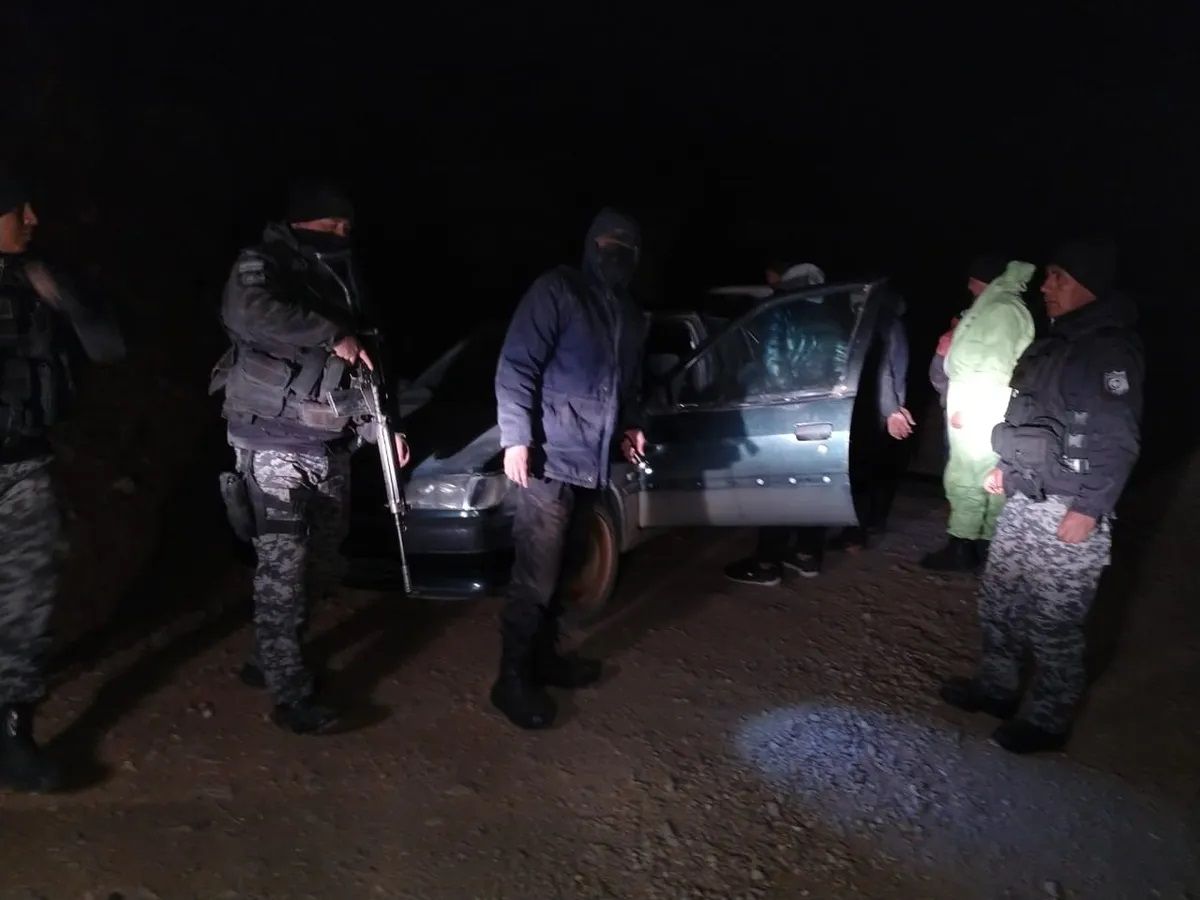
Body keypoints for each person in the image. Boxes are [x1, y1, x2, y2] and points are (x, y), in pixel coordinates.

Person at [210, 180, 409, 735]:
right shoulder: (262, 264)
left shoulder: (342, 275)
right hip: (272, 440)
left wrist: (382, 425)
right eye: (330, 225)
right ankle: (290, 693)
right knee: (284, 566)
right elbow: (249, 313)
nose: (341, 234)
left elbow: (365, 360)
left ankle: (269, 654)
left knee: (324, 562)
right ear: (301, 223)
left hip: (329, 443)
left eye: (347, 227)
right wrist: (329, 332)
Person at [940, 239, 1141, 754]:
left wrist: (1089, 508)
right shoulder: (1056, 342)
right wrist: (1006, 468)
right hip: (1026, 496)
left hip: (1069, 505)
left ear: (1090, 284)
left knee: (1053, 622)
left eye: (1060, 277)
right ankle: (998, 688)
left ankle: (1050, 718)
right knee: (999, 600)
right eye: (1049, 276)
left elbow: (1116, 438)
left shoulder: (1107, 349)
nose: (1047, 286)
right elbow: (1028, 415)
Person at [493, 208, 647, 729]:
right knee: (535, 576)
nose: (616, 252)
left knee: (568, 567)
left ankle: (545, 659)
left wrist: (632, 424)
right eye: (607, 241)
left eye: (626, 245)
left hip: (593, 463)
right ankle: (511, 679)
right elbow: (517, 365)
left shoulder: (630, 313)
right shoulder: (558, 290)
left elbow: (628, 385)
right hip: (548, 461)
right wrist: (516, 439)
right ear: (590, 244)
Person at [1, 169, 125, 792]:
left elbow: (107, 348)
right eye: (18, 209)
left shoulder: (36, 277)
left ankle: (12, 731)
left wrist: (68, 298)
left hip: (23, 463)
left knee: (28, 598)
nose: (32, 220)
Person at [724, 263, 913, 586]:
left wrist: (784, 401)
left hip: (787, 413)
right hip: (827, 414)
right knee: (813, 485)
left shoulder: (780, 311)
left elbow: (771, 363)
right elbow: (842, 365)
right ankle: (807, 554)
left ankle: (767, 562)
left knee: (778, 488)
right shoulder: (834, 317)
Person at [922, 256, 1034, 572]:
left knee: (969, 476)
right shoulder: (994, 307)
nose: (968, 286)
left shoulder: (1000, 310)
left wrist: (968, 408)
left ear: (980, 280)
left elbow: (992, 367)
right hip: (981, 406)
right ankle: (982, 546)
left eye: (971, 280)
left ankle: (963, 546)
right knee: (984, 476)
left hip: (979, 409)